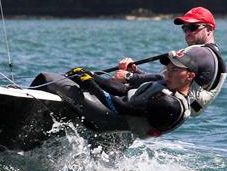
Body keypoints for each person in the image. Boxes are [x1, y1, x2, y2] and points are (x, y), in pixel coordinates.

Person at [29, 49, 200, 138]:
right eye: (168, 68)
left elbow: (121, 108)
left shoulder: (168, 104)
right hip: (117, 113)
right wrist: (91, 76)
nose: (168, 73)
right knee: (78, 82)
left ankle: (24, 120)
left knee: (47, 78)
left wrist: (91, 84)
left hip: (111, 121)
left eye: (175, 70)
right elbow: (124, 90)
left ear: (190, 76)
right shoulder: (167, 84)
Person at [114, 6, 226, 117]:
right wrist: (136, 72)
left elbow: (165, 79)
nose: (187, 32)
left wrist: (129, 76)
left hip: (165, 105)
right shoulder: (212, 54)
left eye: (193, 27)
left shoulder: (200, 53)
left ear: (209, 29)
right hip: (171, 111)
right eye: (185, 28)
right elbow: (167, 79)